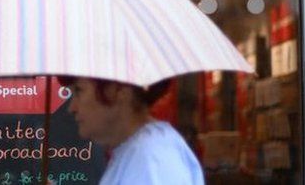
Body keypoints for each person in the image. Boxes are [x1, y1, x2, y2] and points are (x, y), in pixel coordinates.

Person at [61, 77, 204, 185]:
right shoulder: (141, 151)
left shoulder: (151, 159)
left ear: (119, 90)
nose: (72, 107)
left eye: (79, 90)